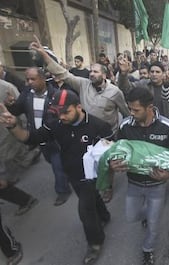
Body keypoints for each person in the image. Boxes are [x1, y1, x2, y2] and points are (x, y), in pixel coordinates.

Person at [0, 89, 112, 265]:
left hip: (92, 176)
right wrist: (14, 125)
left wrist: (108, 177)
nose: (62, 117)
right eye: (59, 113)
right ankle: (104, 215)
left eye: (66, 112)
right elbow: (31, 138)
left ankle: (95, 242)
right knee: (90, 200)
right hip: (72, 174)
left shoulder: (99, 126)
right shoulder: (55, 124)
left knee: (85, 210)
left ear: (79, 107)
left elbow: (111, 153)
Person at [30, 36, 129, 203]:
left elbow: (126, 112)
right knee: (88, 163)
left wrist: (125, 137)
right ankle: (91, 185)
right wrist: (45, 56)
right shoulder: (83, 84)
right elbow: (62, 73)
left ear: (104, 75)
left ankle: (107, 188)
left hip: (106, 137)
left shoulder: (115, 92)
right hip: (84, 132)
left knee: (105, 163)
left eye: (96, 71)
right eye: (90, 70)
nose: (91, 73)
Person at [110, 87, 169, 265]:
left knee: (153, 225)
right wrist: (113, 163)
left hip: (157, 186)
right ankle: (147, 214)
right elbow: (119, 149)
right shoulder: (125, 126)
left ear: (150, 107)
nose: (131, 113)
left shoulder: (167, 126)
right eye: (129, 109)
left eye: (135, 110)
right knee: (132, 216)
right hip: (134, 183)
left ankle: (148, 250)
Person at [4, 68, 72, 206]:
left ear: (42, 78)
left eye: (33, 79)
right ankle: (67, 172)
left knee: (57, 166)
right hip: (38, 139)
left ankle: (62, 191)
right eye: (27, 79)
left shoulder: (56, 95)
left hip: (55, 139)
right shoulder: (27, 93)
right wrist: (11, 105)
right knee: (51, 161)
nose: (29, 82)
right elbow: (19, 110)